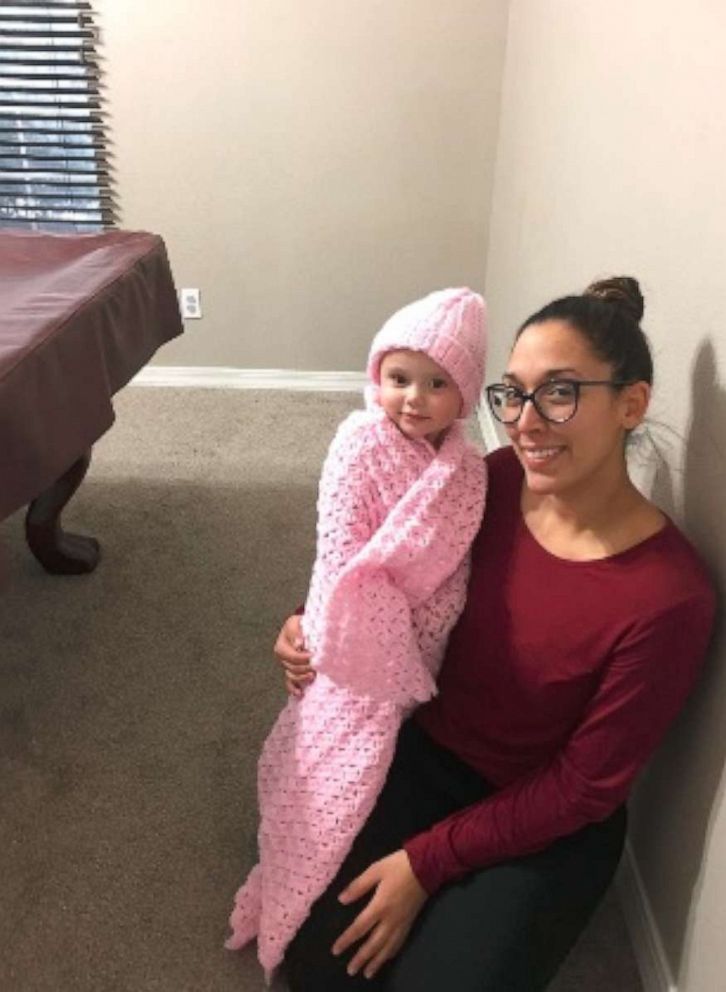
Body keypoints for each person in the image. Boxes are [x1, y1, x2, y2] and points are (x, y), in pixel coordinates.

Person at [275, 276, 717, 992]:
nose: (525, 422)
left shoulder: (670, 597)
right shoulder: (493, 480)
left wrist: (426, 862)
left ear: (631, 404)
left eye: (561, 392)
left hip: (546, 817)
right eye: (512, 393)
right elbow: (391, 562)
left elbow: (583, 787)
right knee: (314, 960)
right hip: (427, 749)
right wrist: (308, 619)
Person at [225, 288, 489, 980]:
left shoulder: (466, 473)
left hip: (421, 643)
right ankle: (292, 867)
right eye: (399, 378)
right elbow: (340, 559)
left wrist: (417, 629)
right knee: (325, 764)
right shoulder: (357, 444)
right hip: (352, 645)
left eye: (437, 385)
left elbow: (449, 571)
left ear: (463, 397)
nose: (413, 398)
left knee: (392, 772)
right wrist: (331, 627)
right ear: (378, 378)